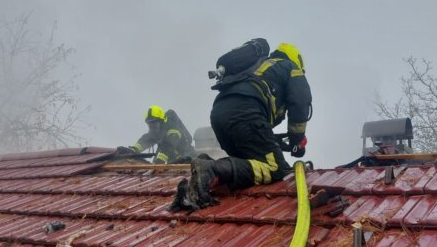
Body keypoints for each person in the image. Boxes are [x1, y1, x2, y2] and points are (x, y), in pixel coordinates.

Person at [173, 42, 312, 211]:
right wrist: (297, 140)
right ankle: (211, 168)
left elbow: (258, 133)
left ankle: (201, 176)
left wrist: (278, 143)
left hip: (220, 113)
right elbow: (300, 102)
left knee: (249, 164)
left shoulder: (257, 67)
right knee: (276, 168)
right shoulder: (290, 67)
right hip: (245, 111)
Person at [118, 106, 195, 164]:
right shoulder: (157, 130)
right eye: (150, 124)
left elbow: (168, 146)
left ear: (161, 122)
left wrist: (158, 161)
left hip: (187, 159)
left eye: (154, 124)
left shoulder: (173, 130)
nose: (152, 127)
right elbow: (146, 139)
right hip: (173, 161)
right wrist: (133, 150)